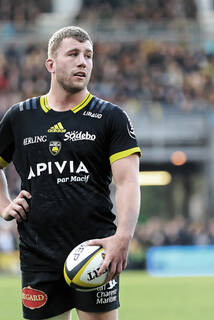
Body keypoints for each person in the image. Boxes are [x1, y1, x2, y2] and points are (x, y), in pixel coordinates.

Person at [0, 26, 141, 320]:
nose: (83, 62)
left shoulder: (110, 117)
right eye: (74, 54)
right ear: (51, 64)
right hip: (38, 253)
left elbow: (128, 182)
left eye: (88, 56)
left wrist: (123, 237)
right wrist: (4, 204)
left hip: (95, 251)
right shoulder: (20, 117)